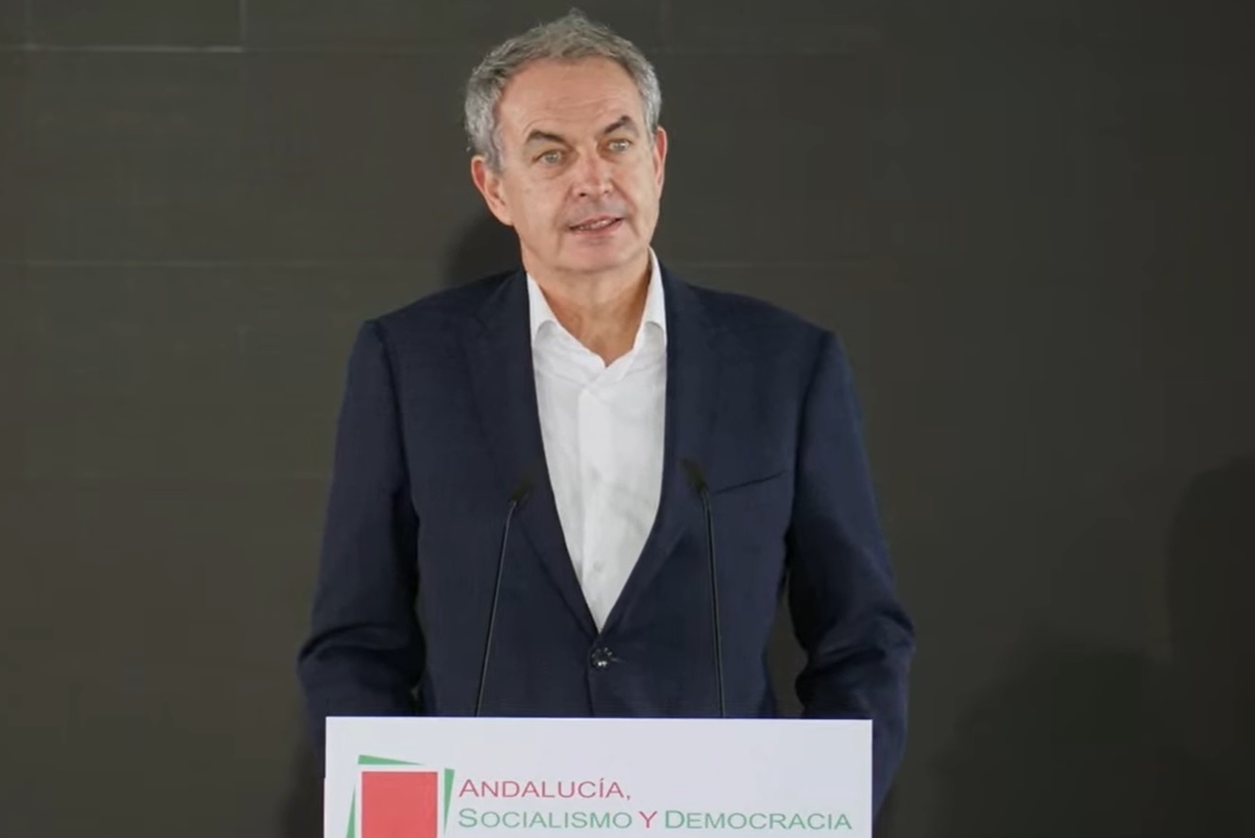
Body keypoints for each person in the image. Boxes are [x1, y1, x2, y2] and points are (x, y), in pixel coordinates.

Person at [297, 10, 915, 813]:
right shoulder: (410, 365)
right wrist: (408, 825)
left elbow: (862, 640)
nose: (593, 179)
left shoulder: (786, 366)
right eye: (550, 153)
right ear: (495, 187)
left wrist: (814, 814)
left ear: (657, 160)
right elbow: (355, 645)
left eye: (617, 143)